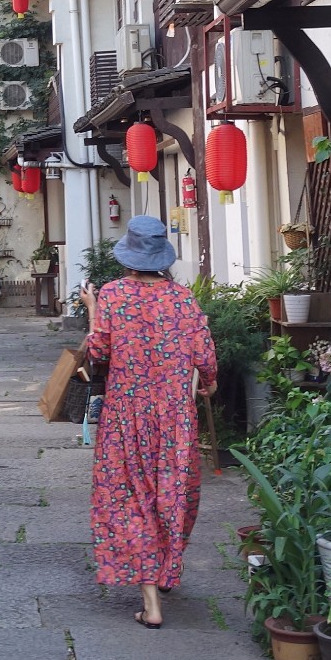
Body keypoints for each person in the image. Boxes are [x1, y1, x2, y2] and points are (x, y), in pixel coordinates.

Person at [79, 215, 217, 629]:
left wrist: (92, 311)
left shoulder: (112, 295)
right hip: (175, 416)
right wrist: (207, 384)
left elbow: (98, 353)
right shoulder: (183, 299)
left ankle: (151, 602)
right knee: (173, 496)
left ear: (129, 255)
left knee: (129, 499)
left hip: (127, 415)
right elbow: (205, 357)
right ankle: (166, 566)